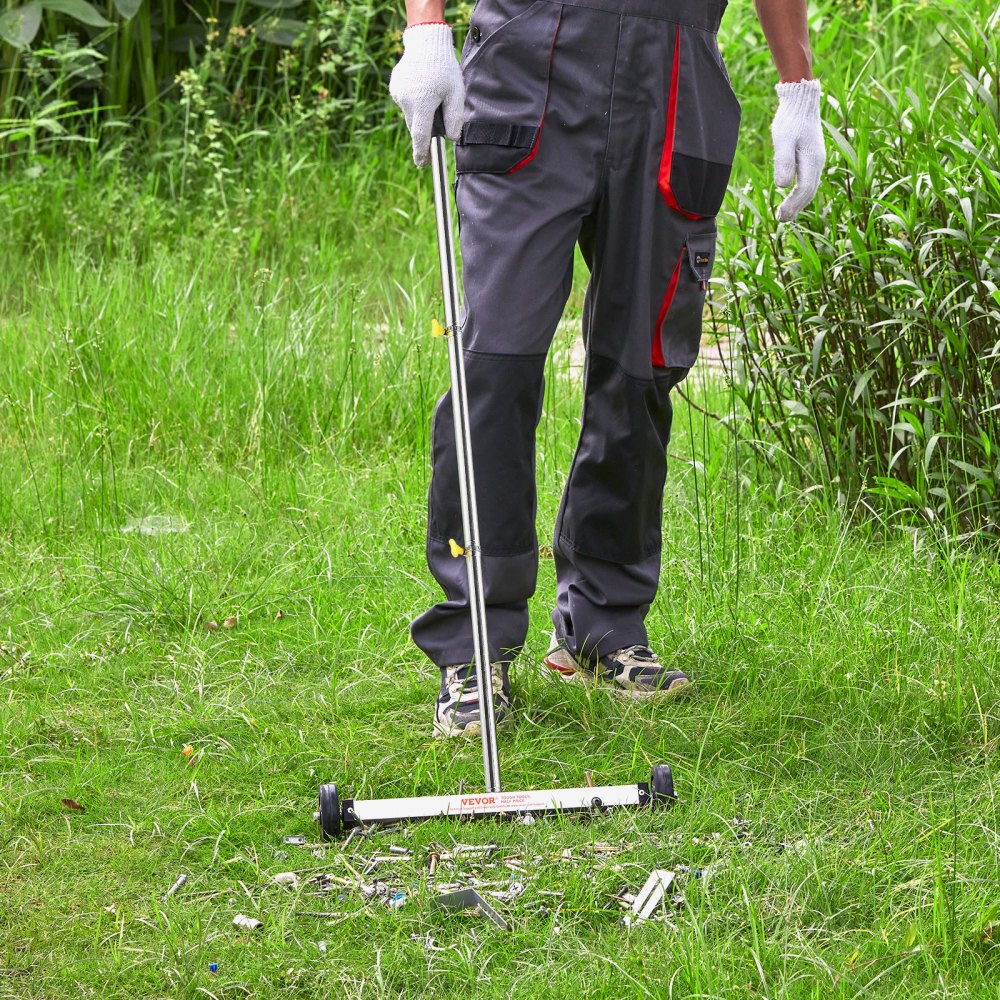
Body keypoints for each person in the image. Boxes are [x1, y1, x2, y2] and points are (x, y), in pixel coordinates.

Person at [390, 0, 825, 737]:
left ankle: (603, 624)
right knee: (495, 364)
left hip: (676, 77)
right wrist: (426, 28)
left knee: (642, 367)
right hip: (531, 62)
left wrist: (798, 87)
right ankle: (475, 642)